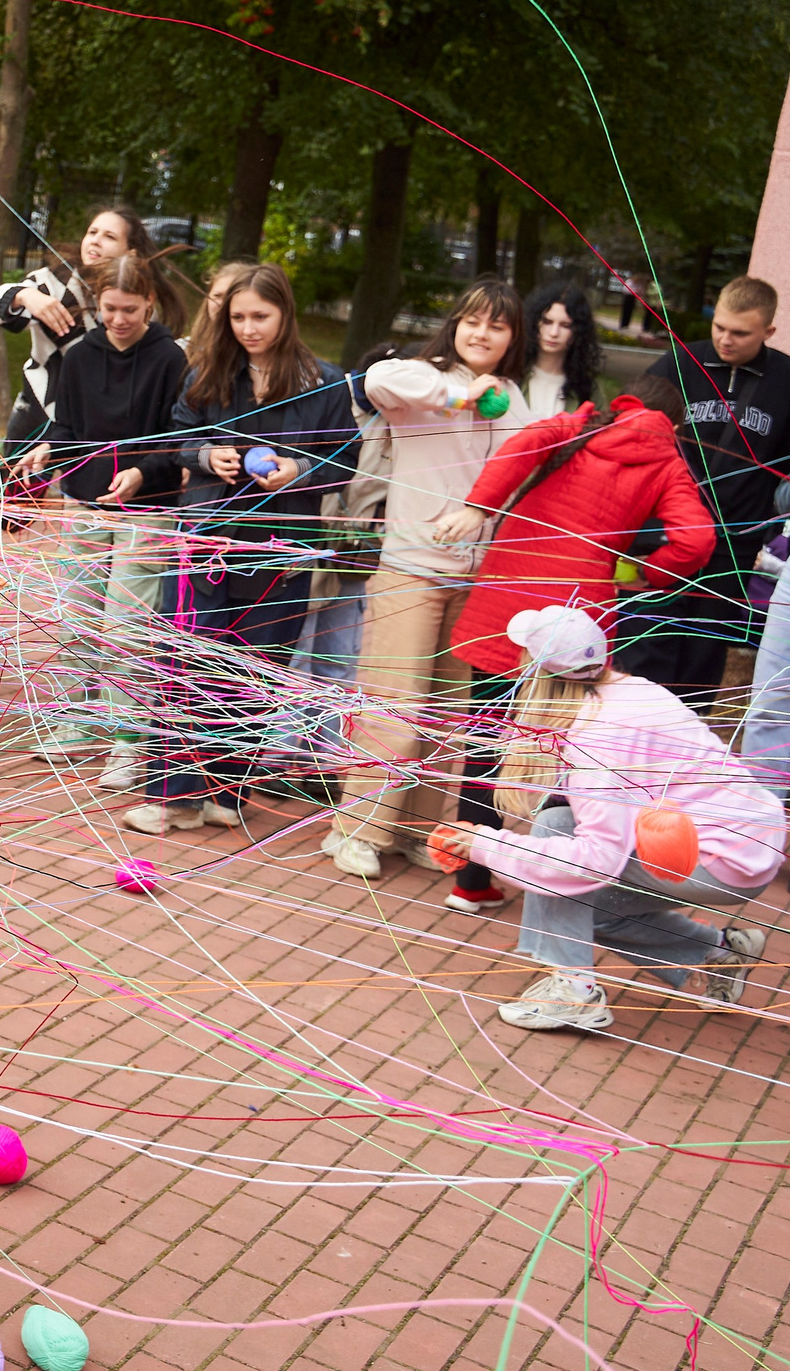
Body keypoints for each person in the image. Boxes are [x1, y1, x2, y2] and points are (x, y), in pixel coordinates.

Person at [425, 376, 713, 910]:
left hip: (507, 597)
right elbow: (697, 540)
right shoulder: (669, 463)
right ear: (673, 425)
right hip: (577, 620)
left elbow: (521, 446)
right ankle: (555, 881)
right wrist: (649, 575)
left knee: (486, 741)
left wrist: (478, 507)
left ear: (627, 400)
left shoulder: (579, 424)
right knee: (564, 748)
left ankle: (469, 879)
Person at [428, 606, 778, 1029]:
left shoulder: (596, 737)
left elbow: (593, 858)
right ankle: (720, 951)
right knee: (584, 904)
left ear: (537, 673)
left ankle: (575, 994)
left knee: (557, 834)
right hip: (748, 843)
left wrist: (483, 845)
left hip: (721, 860)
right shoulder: (632, 689)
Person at [121, 262, 352, 834]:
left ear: (285, 315)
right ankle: (171, 796)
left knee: (257, 673)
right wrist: (206, 458)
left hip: (281, 551)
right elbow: (177, 436)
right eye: (239, 317)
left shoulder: (324, 384)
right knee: (184, 664)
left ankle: (228, 791)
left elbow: (345, 459)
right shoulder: (210, 372)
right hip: (206, 542)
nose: (249, 328)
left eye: (261, 317)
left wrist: (298, 470)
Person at [320, 279, 535, 879]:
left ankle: (412, 830)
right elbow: (375, 381)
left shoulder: (513, 397)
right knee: (394, 707)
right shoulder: (424, 377)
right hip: (409, 568)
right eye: (472, 320)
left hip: (473, 576)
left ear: (512, 338)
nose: (481, 333)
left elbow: (522, 466)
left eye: (497, 326)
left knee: (443, 714)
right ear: (455, 322)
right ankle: (355, 830)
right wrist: (463, 396)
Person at [29, 250, 193, 790]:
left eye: (130, 309)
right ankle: (78, 720)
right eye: (109, 309)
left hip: (148, 507)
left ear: (150, 303)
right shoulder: (78, 356)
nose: (119, 320)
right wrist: (48, 449)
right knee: (78, 612)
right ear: (97, 304)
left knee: (127, 624)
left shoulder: (171, 359)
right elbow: (70, 426)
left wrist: (144, 474)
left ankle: (128, 738)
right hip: (85, 500)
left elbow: (178, 438)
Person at [623, 275, 790, 711]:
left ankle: (682, 755)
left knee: (701, 659)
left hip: (732, 548)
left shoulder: (786, 380)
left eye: (740, 333)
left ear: (768, 332)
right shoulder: (680, 362)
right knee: (644, 647)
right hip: (664, 537)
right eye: (719, 327)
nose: (725, 340)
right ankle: (624, 747)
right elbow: (631, 430)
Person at [0, 207, 158, 464]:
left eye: (109, 236)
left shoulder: (140, 300)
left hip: (100, 430)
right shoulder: (52, 282)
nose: (95, 240)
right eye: (92, 232)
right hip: (38, 417)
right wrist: (26, 296)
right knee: (16, 500)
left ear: (131, 252)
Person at [520, 283, 603, 418]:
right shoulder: (512, 375)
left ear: (578, 331)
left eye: (565, 325)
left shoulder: (588, 391)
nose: (554, 333)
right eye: (547, 322)